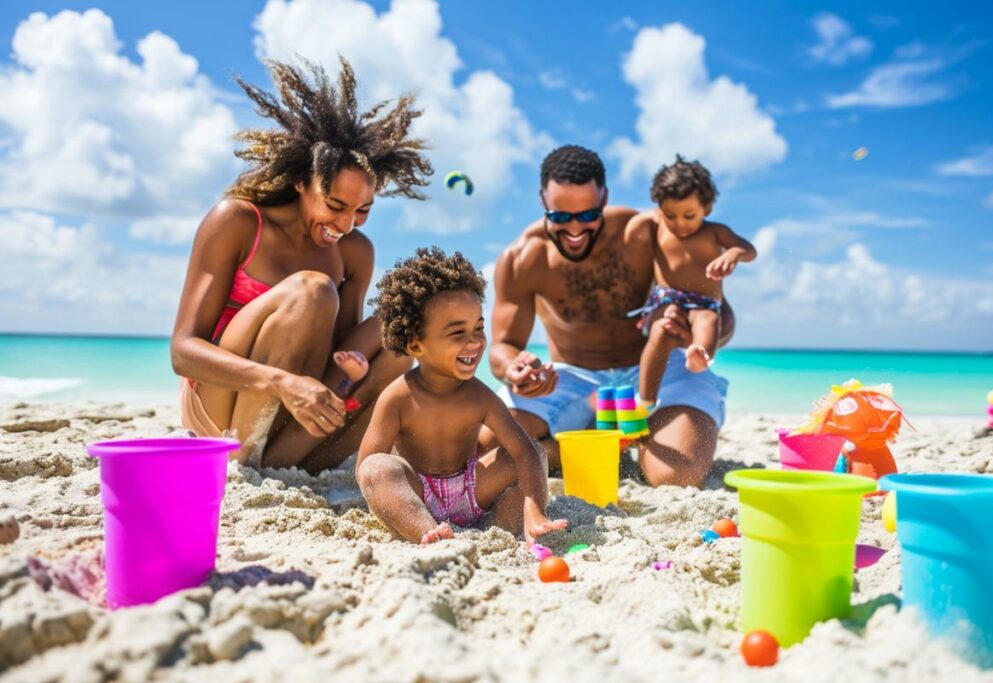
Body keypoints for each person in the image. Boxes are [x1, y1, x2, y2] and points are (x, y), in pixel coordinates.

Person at [170, 58, 431, 471]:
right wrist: (281, 382)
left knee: (399, 341)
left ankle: (282, 460)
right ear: (300, 182)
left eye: (363, 210)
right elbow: (183, 352)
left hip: (294, 412)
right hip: (221, 404)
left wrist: (370, 354)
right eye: (334, 205)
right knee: (311, 288)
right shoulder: (238, 222)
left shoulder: (355, 251)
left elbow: (339, 355)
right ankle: (245, 455)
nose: (346, 225)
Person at [485, 145, 734, 488]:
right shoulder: (523, 258)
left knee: (678, 476)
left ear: (604, 198)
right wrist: (515, 370)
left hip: (658, 371)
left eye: (588, 216)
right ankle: (569, 447)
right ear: (543, 200)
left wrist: (699, 339)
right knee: (484, 445)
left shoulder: (644, 232)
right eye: (560, 217)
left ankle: (627, 435)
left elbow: (721, 313)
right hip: (573, 378)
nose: (575, 229)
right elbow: (502, 347)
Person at [356, 248, 567, 545]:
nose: (475, 342)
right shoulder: (398, 397)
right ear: (416, 346)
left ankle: (513, 529)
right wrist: (397, 492)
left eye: (478, 328)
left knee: (528, 452)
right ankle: (427, 533)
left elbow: (525, 452)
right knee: (378, 468)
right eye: (458, 333)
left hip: (472, 489)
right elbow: (367, 468)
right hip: (419, 497)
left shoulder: (479, 395)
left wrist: (535, 509)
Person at [627, 156, 756, 406]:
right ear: (659, 209)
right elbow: (634, 232)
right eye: (670, 215)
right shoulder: (658, 227)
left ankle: (700, 355)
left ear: (706, 208)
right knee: (662, 328)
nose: (679, 224)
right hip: (668, 298)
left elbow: (749, 249)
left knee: (708, 320)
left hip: (705, 302)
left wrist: (733, 253)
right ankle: (645, 399)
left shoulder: (715, 231)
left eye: (689, 215)